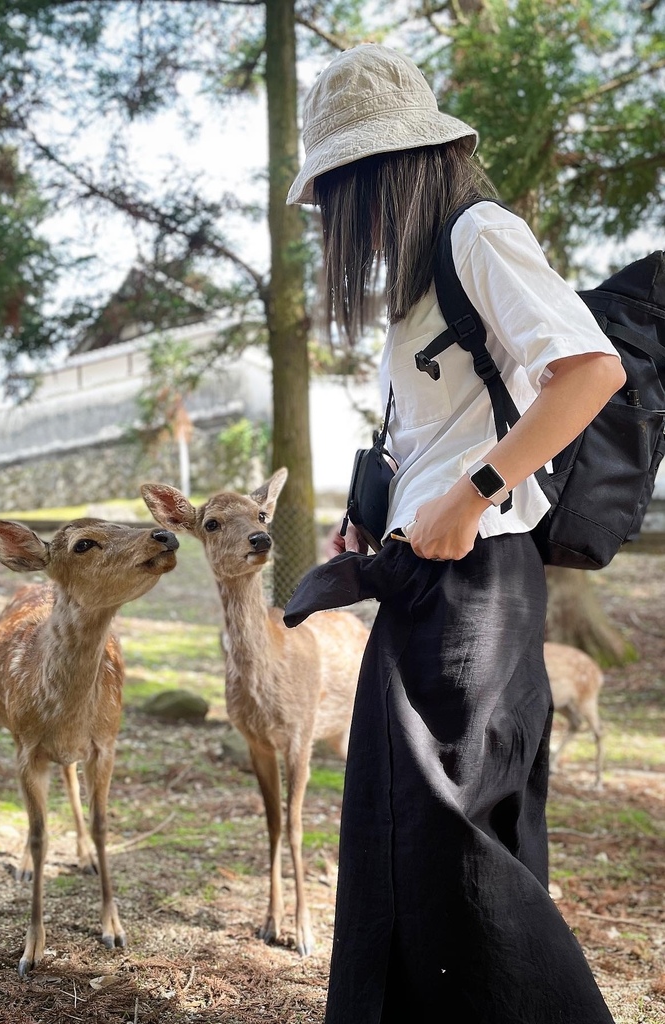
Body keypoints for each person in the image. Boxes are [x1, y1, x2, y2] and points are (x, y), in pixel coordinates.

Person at [284, 44, 625, 1024]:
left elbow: (588, 371)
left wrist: (471, 493)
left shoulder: (479, 233)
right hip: (425, 575)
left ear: (387, 168)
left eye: (342, 190)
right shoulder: (421, 279)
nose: (339, 221)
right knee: (409, 836)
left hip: (479, 580)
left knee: (453, 845)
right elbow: (441, 430)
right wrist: (376, 513)